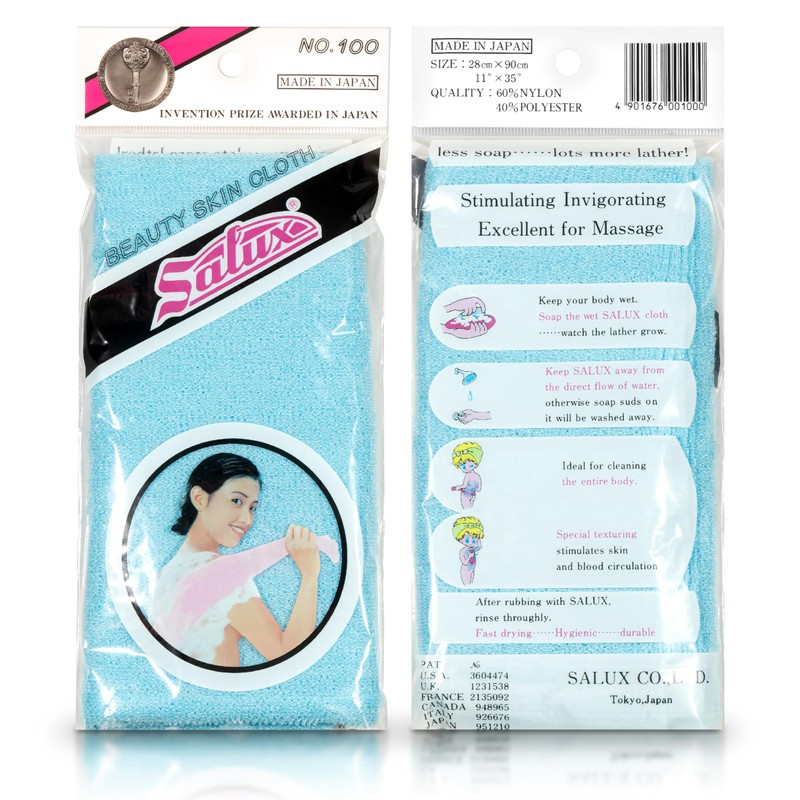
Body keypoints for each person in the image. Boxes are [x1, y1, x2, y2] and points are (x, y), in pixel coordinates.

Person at [149, 452, 321, 666]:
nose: (247, 519)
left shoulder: (165, 574)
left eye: (252, 508)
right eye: (236, 501)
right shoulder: (222, 574)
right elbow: (289, 655)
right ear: (200, 498)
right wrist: (310, 574)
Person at [453, 516, 485, 586]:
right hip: (466, 571)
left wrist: (478, 538)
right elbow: (464, 562)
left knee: (471, 584)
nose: (471, 542)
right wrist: (469, 556)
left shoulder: (472, 549)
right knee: (467, 585)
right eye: (467, 540)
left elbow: (479, 547)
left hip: (472, 569)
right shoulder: (462, 551)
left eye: (473, 540)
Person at [450, 442, 483, 509]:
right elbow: (478, 489)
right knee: (471, 509)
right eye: (463, 466)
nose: (466, 467)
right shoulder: (477, 476)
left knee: (466, 509)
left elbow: (464, 485)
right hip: (473, 495)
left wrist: (457, 487)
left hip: (465, 494)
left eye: (470, 465)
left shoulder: (468, 475)